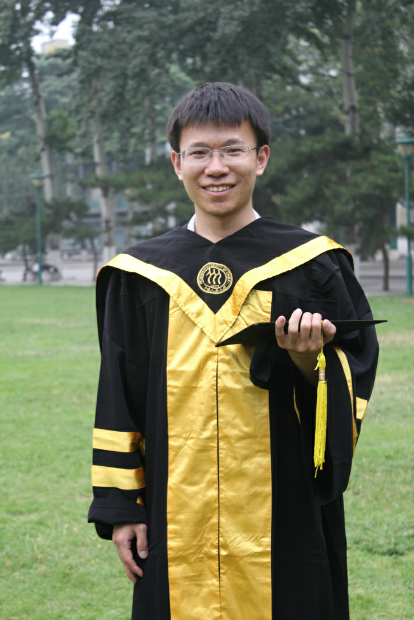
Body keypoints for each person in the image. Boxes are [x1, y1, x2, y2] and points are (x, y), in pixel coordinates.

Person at [88, 82, 378, 620]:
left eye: (232, 150)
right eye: (199, 152)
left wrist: (307, 360)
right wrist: (121, 505)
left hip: (286, 510)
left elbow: (351, 375)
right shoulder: (140, 275)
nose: (216, 167)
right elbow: (118, 394)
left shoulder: (313, 264)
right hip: (175, 512)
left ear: (260, 158)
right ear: (177, 163)